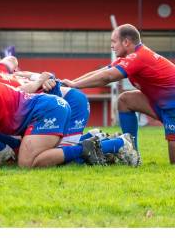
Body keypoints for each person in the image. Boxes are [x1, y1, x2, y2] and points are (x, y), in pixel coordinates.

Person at [64, 24, 175, 164]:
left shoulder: (138, 57)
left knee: (173, 163)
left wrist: (75, 85)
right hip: (159, 104)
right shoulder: (129, 57)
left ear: (126, 42)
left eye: (114, 41)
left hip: (172, 106)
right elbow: (101, 72)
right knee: (125, 100)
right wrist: (71, 84)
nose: (112, 46)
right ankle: (133, 153)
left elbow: (107, 78)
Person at [0, 81, 71, 169]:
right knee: (33, 157)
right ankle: (79, 146)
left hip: (49, 108)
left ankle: (82, 149)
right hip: (50, 105)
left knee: (26, 163)